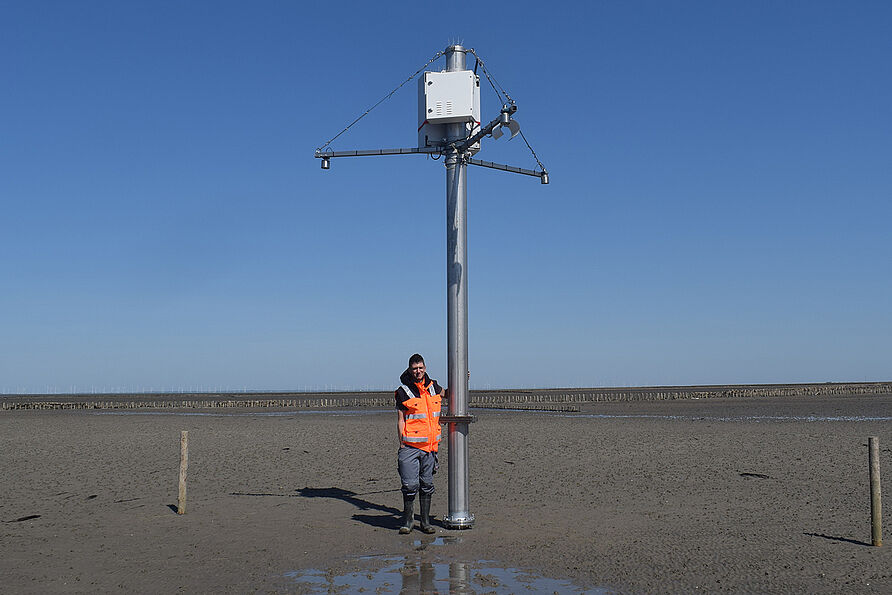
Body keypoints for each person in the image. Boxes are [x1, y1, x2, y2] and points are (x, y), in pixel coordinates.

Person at [395, 353, 444, 534]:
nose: (418, 371)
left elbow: (449, 393)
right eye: (415, 368)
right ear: (409, 369)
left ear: (425, 368)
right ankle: (408, 522)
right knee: (409, 486)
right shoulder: (403, 391)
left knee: (427, 485)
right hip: (410, 447)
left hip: (430, 448)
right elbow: (400, 419)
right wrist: (401, 443)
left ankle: (425, 522)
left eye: (421, 368)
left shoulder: (433, 387)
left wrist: (464, 380)